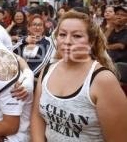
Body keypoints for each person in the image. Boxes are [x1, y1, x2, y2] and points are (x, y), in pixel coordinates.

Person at [31, 11, 127, 141]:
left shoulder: (103, 80)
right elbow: (37, 116)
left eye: (76, 36)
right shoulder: (48, 70)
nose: (67, 41)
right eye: (62, 34)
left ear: (91, 42)